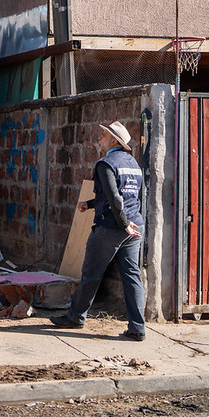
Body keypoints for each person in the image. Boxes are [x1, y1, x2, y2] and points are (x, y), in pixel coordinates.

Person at [49, 120, 146, 341]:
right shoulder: (133, 164)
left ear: (113, 141)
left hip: (112, 226)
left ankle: (75, 317)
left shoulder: (106, 164)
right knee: (132, 276)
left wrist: (122, 223)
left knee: (91, 273)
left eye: (102, 136)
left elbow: (114, 198)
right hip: (134, 226)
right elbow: (132, 197)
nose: (99, 139)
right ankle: (138, 328)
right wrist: (91, 204)